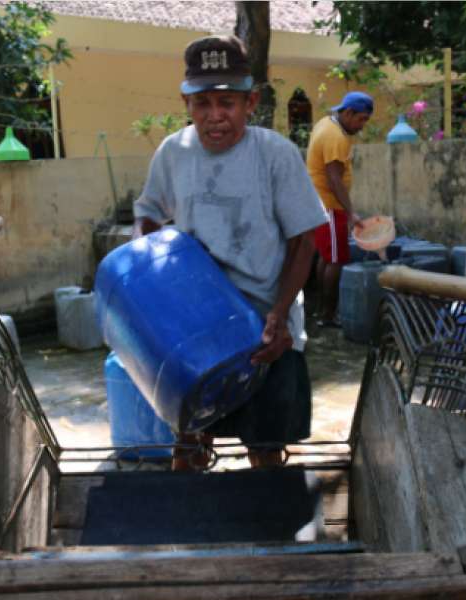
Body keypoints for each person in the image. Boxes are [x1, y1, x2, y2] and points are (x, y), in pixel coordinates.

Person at [132, 35, 327, 470]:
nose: (215, 116)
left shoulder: (275, 154)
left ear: (251, 101)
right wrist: (153, 278)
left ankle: (269, 525)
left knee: (265, 450)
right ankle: (191, 526)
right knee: (188, 447)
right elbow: (147, 217)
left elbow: (303, 242)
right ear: (186, 104)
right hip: (196, 327)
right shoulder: (173, 153)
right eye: (203, 104)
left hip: (263, 326)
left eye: (228, 103)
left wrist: (279, 316)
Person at [306, 91, 373, 327]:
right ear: (348, 113)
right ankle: (327, 315)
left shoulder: (325, 123)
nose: (362, 125)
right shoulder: (336, 137)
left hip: (318, 202)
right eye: (361, 119)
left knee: (326, 256)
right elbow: (334, 180)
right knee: (336, 259)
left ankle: (319, 312)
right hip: (329, 205)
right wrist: (351, 212)